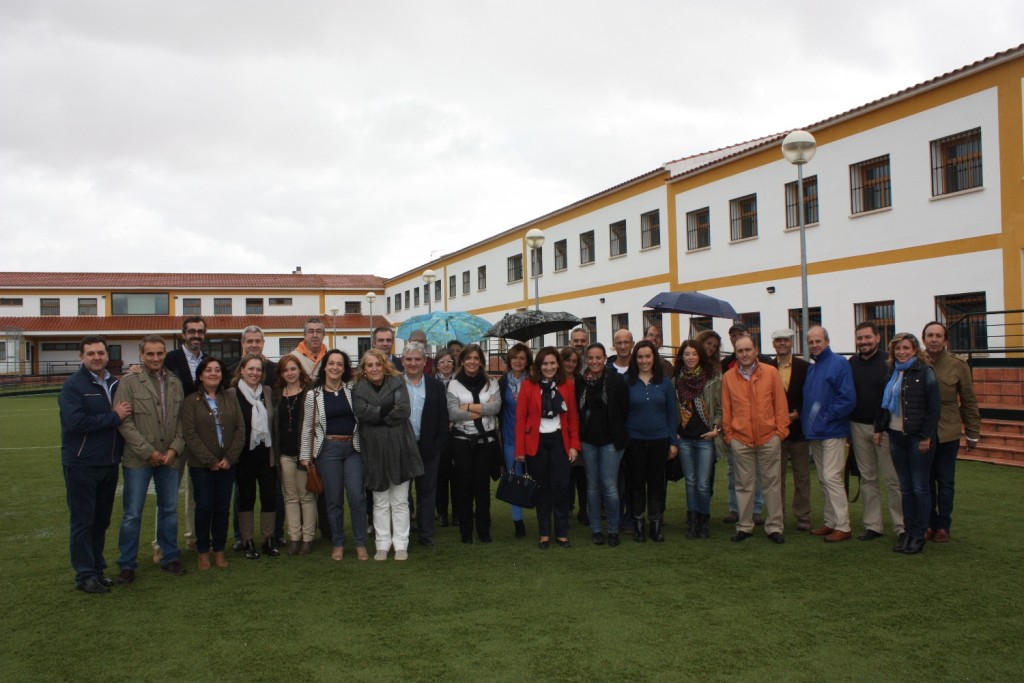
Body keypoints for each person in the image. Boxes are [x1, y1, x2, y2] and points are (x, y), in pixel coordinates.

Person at [59, 336, 132, 593]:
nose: (96, 357)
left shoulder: (114, 383)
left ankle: (97, 567)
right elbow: (76, 423)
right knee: (83, 521)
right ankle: (85, 575)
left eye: (100, 352)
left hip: (109, 462)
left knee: (101, 520)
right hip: (81, 463)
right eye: (90, 353)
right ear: (82, 357)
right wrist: (113, 416)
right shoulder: (73, 386)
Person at [114, 335, 187, 583]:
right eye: (150, 354)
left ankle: (169, 557)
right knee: (132, 513)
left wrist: (174, 450)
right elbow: (125, 423)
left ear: (165, 354)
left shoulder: (176, 383)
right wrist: (149, 452)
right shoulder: (129, 382)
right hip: (138, 460)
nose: (155, 358)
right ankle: (127, 564)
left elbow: (181, 421)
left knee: (169, 510)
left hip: (169, 457)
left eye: (159, 353)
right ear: (141, 356)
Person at [352, 349, 424, 561]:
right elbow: (362, 413)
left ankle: (401, 543)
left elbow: (403, 410)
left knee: (400, 500)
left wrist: (376, 413)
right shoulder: (358, 388)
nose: (374, 368)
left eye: (378, 364)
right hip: (373, 448)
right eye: (369, 365)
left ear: (385, 365)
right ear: (364, 370)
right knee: (380, 500)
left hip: (400, 446)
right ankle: (382, 544)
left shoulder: (398, 382)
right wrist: (385, 409)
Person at [875, 332, 941, 554]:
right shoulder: (892, 372)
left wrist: (926, 436)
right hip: (896, 436)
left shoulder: (925, 372)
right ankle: (909, 532)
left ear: (915, 350)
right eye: (897, 348)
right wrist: (879, 428)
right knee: (905, 488)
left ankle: (919, 534)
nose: (901, 352)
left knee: (919, 487)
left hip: (917, 439)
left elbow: (934, 408)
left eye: (906, 348)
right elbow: (883, 404)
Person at [300, 350, 368, 561]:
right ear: (325, 366)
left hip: (353, 449)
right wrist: (305, 455)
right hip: (327, 450)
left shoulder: (352, 389)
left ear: (344, 368)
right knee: (333, 499)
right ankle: (338, 543)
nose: (335, 367)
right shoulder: (314, 395)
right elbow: (307, 426)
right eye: (331, 363)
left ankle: (360, 543)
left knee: (357, 497)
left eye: (340, 364)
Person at [721, 335, 790, 544]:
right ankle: (744, 526)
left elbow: (780, 404)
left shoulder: (771, 373)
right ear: (736, 353)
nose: (744, 354)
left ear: (756, 350)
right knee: (743, 485)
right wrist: (730, 435)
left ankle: (775, 527)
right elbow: (726, 409)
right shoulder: (728, 377)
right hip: (740, 439)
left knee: (772, 484)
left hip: (769, 437)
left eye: (747, 350)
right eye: (740, 351)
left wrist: (781, 432)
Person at [181, 357, 244, 571]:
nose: (213, 373)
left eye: (217, 370)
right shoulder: (191, 401)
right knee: (204, 508)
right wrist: (209, 460)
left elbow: (239, 430)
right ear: (200, 375)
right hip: (201, 466)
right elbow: (189, 433)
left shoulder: (230, 397)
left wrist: (229, 458)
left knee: (222, 508)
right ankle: (202, 551)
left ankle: (219, 550)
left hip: (227, 465)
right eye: (208, 370)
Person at [514, 346, 581, 549]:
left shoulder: (567, 385)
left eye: (552, 363)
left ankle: (561, 532)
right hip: (537, 443)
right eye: (545, 363)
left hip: (560, 442)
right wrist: (520, 450)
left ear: (558, 365)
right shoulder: (528, 386)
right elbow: (521, 419)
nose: (549, 367)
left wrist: (574, 445)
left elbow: (572, 417)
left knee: (561, 488)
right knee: (542, 489)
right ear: (538, 366)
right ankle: (544, 533)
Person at [922, 321, 981, 542]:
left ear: (946, 340)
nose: (934, 339)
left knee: (945, 481)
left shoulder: (958, 365)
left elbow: (968, 400)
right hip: (923, 434)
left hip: (948, 432)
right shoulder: (916, 361)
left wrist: (973, 432)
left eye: (938, 336)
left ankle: (943, 525)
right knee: (925, 480)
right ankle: (928, 522)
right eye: (930, 335)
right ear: (924, 339)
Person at [848, 322, 904, 541]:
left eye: (867, 338)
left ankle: (901, 526)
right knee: (867, 478)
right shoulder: (851, 363)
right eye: (860, 338)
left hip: (884, 429)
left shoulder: (889, 363)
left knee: (892, 479)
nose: (863, 342)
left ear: (878, 338)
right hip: (857, 427)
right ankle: (873, 525)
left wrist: (881, 426)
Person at [802, 326, 857, 543]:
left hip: (832, 430)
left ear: (827, 340)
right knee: (824, 479)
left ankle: (843, 525)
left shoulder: (839, 363)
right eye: (811, 342)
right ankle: (830, 521)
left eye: (818, 341)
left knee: (832, 478)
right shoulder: (813, 367)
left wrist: (826, 417)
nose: (814, 345)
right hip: (816, 432)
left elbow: (847, 398)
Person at [624, 340, 679, 542]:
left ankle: (655, 524)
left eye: (648, 356)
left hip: (660, 440)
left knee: (657, 485)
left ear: (654, 358)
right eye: (640, 357)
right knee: (636, 484)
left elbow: (671, 414)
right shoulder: (626, 381)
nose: (644, 360)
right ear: (634, 359)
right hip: (634, 441)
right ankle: (638, 524)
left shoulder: (664, 382)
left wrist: (673, 441)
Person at [447, 344, 502, 544]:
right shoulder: (453, 385)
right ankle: (466, 531)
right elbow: (453, 413)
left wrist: (468, 406)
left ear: (481, 361)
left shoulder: (492, 383)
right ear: (462, 361)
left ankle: (484, 530)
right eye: (468, 358)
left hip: (485, 442)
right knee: (464, 487)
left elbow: (495, 407)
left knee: (482, 487)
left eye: (476, 358)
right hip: (462, 441)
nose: (472, 361)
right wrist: (483, 409)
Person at [576, 342, 629, 546]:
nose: (595, 361)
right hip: (588, 440)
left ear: (605, 358)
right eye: (591, 358)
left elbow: (624, 409)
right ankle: (596, 529)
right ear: (586, 360)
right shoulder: (581, 381)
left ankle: (614, 529)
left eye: (598, 357)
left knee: (609, 486)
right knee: (592, 487)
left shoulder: (616, 380)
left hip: (611, 441)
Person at [227, 353, 278, 559]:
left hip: (266, 454)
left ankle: (268, 539)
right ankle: (247, 541)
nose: (254, 373)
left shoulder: (267, 392)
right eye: (251, 369)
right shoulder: (232, 394)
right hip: (243, 456)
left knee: (269, 497)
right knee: (246, 498)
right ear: (242, 370)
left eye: (258, 369)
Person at [672, 340, 721, 540]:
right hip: (684, 438)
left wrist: (716, 428)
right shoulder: (676, 381)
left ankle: (703, 521)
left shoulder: (712, 380)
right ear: (681, 357)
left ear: (700, 356)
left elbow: (720, 408)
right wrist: (674, 431)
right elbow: (671, 410)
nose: (690, 357)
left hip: (705, 438)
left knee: (702, 483)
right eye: (687, 354)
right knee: (690, 482)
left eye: (694, 353)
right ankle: (692, 522)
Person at [402, 343, 449, 547]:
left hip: (428, 447)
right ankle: (403, 534)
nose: (413, 363)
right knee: (402, 494)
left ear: (425, 362)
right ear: (403, 361)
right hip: (402, 448)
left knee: (427, 493)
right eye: (409, 359)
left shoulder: (435, 386)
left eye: (417, 359)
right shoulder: (394, 383)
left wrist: (438, 445)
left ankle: (426, 534)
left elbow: (442, 418)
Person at [273, 354, 316, 555]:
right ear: (282, 374)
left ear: (299, 370)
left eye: (293, 368)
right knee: (290, 497)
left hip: (304, 454)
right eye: (285, 370)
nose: (290, 373)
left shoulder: (310, 393)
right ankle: (294, 537)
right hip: (284, 454)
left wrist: (308, 454)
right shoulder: (276, 395)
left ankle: (308, 538)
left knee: (306, 496)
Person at [771, 328, 812, 531]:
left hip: (798, 429)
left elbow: (811, 394)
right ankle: (779, 515)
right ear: (773, 344)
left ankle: (803, 515)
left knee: (802, 475)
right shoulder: (766, 367)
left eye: (785, 341)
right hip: (775, 430)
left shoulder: (805, 367)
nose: (782, 344)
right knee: (776, 476)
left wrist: (799, 413)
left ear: (792, 343)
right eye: (778, 341)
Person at [498, 343, 533, 538]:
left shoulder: (535, 381)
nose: (518, 361)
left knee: (539, 477)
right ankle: (518, 521)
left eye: (522, 357)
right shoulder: (502, 383)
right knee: (515, 479)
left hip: (533, 437)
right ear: (509, 360)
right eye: (515, 357)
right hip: (511, 438)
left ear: (527, 361)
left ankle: (544, 514)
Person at [560, 345, 588, 525]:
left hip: (581, 431)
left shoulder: (581, 380)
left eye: (574, 361)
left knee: (583, 475)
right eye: (567, 360)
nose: (570, 364)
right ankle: (567, 508)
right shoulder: (556, 381)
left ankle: (584, 510)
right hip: (562, 432)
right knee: (566, 476)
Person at [433, 348, 457, 527]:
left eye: (449, 361)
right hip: (439, 434)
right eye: (442, 362)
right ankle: (442, 512)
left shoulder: (460, 382)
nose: (446, 365)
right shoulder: (431, 382)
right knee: (441, 476)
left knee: (458, 475)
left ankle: (458, 512)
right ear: (437, 365)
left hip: (458, 431)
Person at [163, 316, 207, 396]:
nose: (196, 336)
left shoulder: (209, 360)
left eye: (200, 332)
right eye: (191, 331)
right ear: (183, 335)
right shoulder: (169, 359)